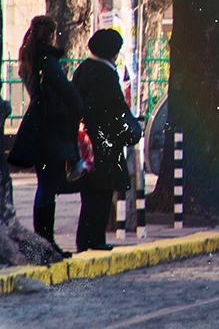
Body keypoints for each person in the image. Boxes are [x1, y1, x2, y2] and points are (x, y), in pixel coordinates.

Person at [9, 15, 83, 258]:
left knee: (45, 185)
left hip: (37, 126)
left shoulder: (27, 58)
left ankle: (44, 239)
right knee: (49, 185)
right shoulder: (47, 60)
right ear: (51, 34)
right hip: (53, 128)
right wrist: (81, 108)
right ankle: (46, 241)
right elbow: (66, 90)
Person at [72, 29, 140, 252]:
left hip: (89, 143)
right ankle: (94, 239)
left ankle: (87, 239)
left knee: (89, 194)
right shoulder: (104, 74)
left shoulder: (84, 69)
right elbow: (109, 107)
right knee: (101, 192)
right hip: (104, 142)